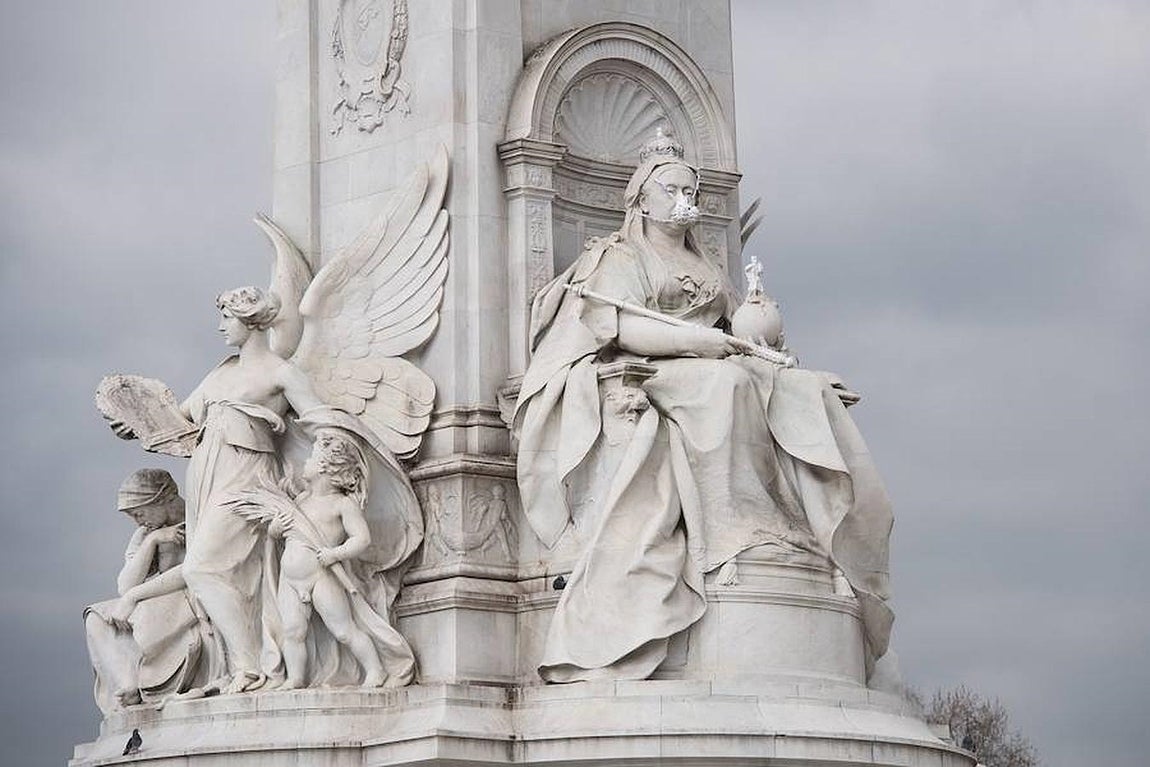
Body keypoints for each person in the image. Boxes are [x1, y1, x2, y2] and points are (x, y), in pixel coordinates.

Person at [513, 132, 894, 683]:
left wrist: (772, 341)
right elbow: (623, 325)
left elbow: (739, 335)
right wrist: (701, 344)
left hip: (712, 362)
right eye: (671, 190)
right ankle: (740, 528)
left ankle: (799, 531)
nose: (683, 200)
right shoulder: (619, 256)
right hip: (655, 370)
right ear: (641, 199)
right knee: (727, 388)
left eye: (690, 190)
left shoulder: (708, 265)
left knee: (807, 395)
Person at [266, 431, 416, 688]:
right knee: (292, 631)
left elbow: (362, 539)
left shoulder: (342, 504)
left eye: (311, 457)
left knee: (344, 630)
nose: (305, 461)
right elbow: (279, 535)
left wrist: (335, 554)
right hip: (290, 578)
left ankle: (376, 670)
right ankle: (295, 678)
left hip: (322, 576)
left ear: (325, 468)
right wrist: (275, 529)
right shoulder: (301, 500)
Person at [84, 469, 207, 713]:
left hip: (190, 596)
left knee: (141, 617)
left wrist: (133, 597)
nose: (138, 521)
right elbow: (125, 585)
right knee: (96, 618)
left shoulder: (200, 518)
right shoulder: (147, 533)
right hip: (156, 597)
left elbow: (192, 570)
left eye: (139, 513)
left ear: (162, 500)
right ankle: (128, 682)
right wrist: (153, 541)